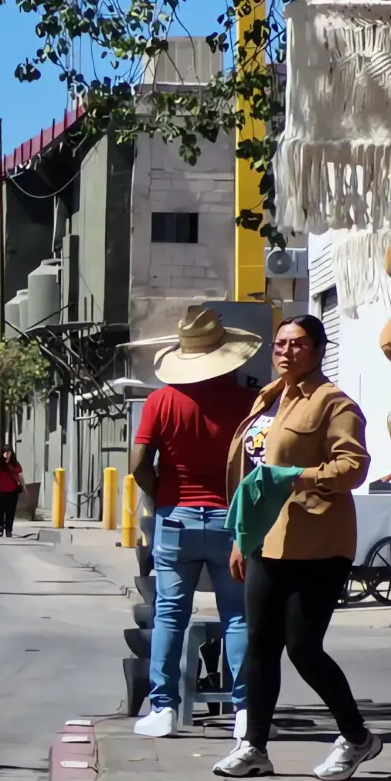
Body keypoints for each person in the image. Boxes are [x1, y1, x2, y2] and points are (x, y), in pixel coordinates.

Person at [216, 315, 378, 781]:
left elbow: (353, 467)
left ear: (319, 350)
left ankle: (357, 738)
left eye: (298, 344)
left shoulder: (334, 403)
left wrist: (297, 478)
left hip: (318, 542)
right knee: (260, 644)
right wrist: (241, 537)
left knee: (303, 647)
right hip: (265, 540)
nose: (286, 351)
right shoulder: (269, 397)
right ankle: (253, 747)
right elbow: (252, 471)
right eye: (280, 343)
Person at [126, 305, 260, 740]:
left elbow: (139, 463)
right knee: (237, 616)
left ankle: (163, 709)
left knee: (170, 615)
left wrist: (162, 494)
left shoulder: (160, 401)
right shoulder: (247, 402)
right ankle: (246, 712)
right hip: (230, 520)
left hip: (176, 519)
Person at [0, 447, 25, 537]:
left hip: (12, 491)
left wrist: (24, 488)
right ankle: (0, 526)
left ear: (11, 453)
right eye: (5, 452)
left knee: (11, 511)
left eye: (8, 452)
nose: (6, 454)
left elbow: (20, 476)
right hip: (0, 490)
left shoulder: (15, 464)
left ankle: (9, 529)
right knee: (0, 510)